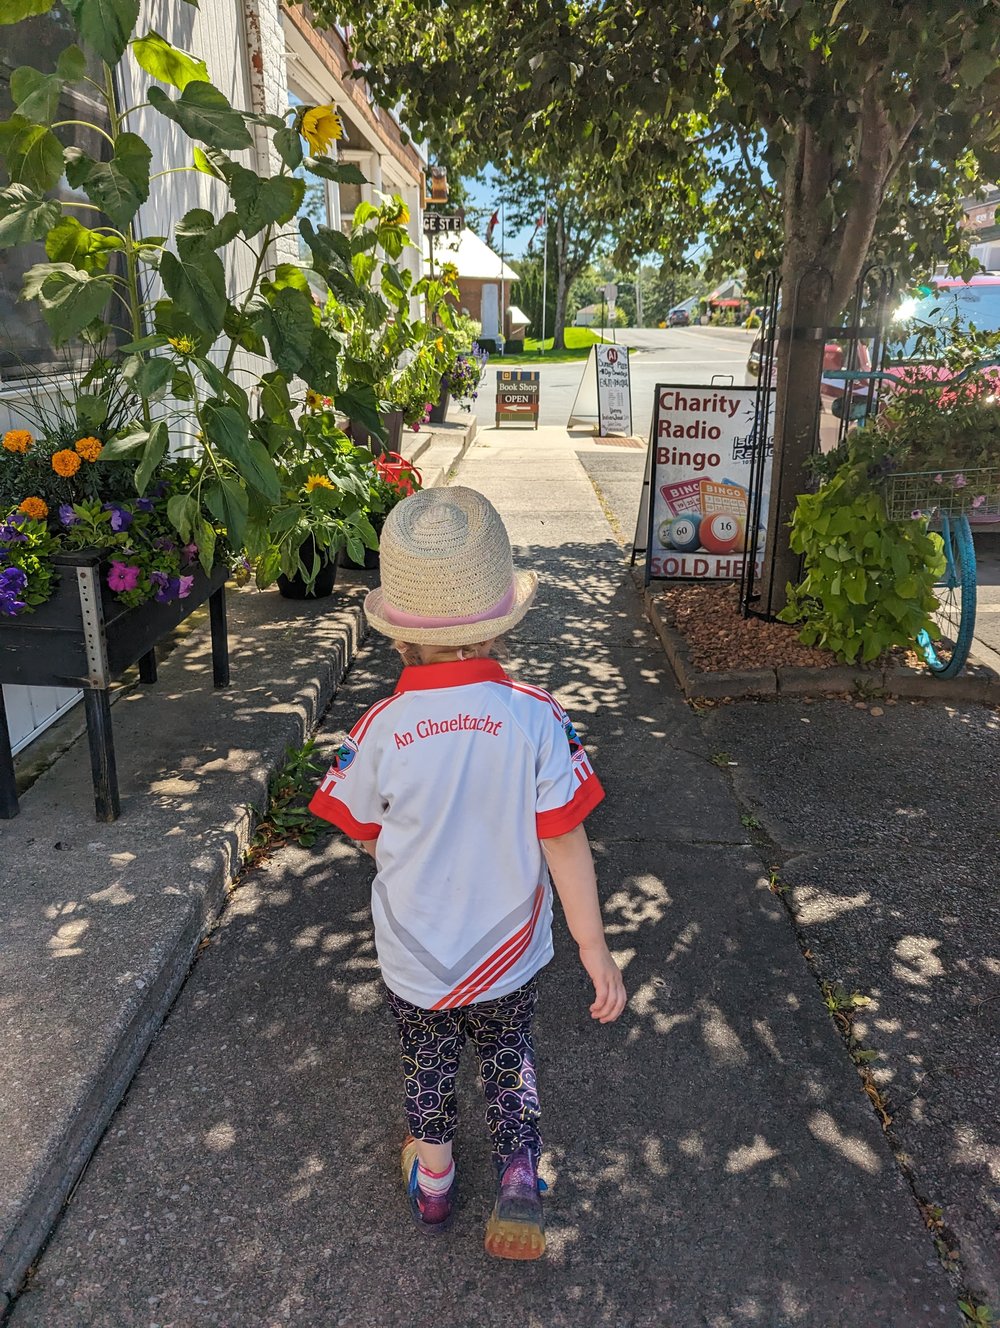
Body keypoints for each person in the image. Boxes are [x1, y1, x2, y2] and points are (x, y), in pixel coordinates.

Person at [309, 486, 627, 1260]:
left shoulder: (379, 727)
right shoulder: (536, 717)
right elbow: (564, 841)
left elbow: (362, 824)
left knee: (427, 1059)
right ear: (502, 621)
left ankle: (438, 1180)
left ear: (398, 638)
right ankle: (520, 1179)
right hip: (508, 943)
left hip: (416, 945)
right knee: (508, 1051)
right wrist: (593, 948)